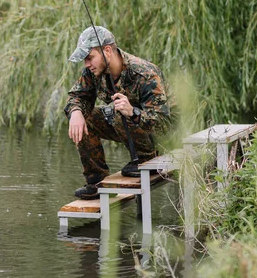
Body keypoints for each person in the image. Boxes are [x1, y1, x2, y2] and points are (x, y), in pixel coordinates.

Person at [64, 26, 177, 200]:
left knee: (119, 112)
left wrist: (133, 112)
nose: (86, 64)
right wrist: (76, 112)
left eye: (90, 58)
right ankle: (96, 182)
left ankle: (146, 159)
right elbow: (77, 96)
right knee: (86, 117)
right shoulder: (93, 71)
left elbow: (164, 125)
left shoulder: (144, 74)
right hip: (129, 127)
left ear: (107, 50)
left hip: (163, 137)